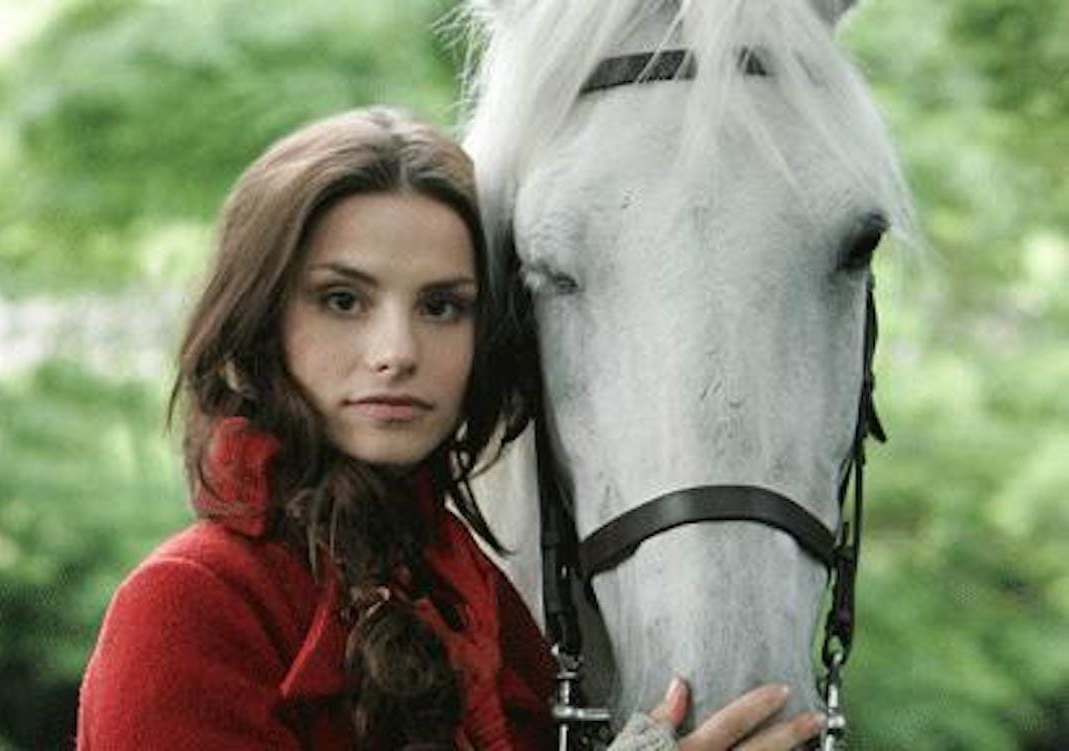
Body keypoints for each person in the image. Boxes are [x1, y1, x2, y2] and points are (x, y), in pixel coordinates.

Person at [76, 107, 825, 750]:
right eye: (343, 300)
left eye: (442, 306)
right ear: (263, 321)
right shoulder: (189, 605)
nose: (397, 352)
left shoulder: (484, 600)